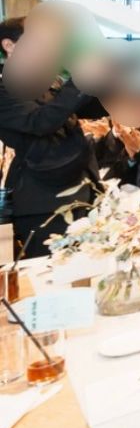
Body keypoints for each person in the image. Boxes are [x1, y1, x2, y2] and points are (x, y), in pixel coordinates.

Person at [0, 17, 101, 259]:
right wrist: (77, 82)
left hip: (82, 188)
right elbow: (40, 122)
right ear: (9, 45)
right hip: (44, 201)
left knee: (91, 269)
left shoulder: (49, 81)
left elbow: (89, 110)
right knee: (53, 273)